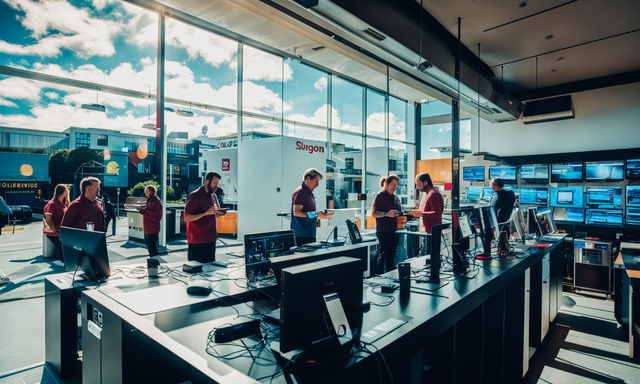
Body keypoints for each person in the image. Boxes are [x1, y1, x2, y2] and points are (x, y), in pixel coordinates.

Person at [184, 172, 224, 263]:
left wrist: (217, 213)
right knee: (196, 273)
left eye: (218, 183)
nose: (217, 186)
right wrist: (205, 213)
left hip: (211, 239)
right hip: (197, 242)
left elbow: (212, 211)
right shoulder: (194, 195)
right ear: (207, 181)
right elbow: (187, 217)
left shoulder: (212, 195)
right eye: (215, 183)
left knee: (210, 271)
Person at [291, 168, 333, 246]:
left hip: (309, 234)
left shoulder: (309, 193)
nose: (317, 185)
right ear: (308, 179)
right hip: (301, 236)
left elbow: (308, 212)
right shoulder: (300, 192)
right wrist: (316, 214)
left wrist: (316, 218)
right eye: (316, 181)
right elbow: (296, 212)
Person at [371, 175, 402, 274]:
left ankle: (390, 278)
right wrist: (386, 214)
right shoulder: (379, 196)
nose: (395, 187)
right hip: (383, 231)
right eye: (393, 185)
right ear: (387, 184)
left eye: (397, 185)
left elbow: (399, 212)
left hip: (394, 230)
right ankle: (379, 278)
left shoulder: (395, 197)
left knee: (391, 257)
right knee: (383, 256)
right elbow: (373, 213)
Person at [43, 184, 70, 260]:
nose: (67, 193)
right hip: (54, 232)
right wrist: (56, 232)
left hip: (60, 231)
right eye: (66, 191)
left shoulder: (63, 203)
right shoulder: (52, 203)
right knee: (62, 248)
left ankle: (62, 264)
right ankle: (63, 266)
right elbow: (48, 219)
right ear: (62, 192)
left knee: (62, 249)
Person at [490, 177, 516, 254]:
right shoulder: (511, 194)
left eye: (491, 184)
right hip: (505, 222)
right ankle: (504, 248)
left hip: (498, 223)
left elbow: (492, 211)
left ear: (495, 186)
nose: (490, 186)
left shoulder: (496, 197)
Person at [138, 185, 163, 257]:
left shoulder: (157, 201)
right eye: (145, 192)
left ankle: (155, 264)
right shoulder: (148, 201)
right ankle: (153, 263)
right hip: (147, 229)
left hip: (153, 229)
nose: (145, 193)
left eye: (147, 191)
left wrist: (144, 211)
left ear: (152, 192)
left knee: (152, 248)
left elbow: (158, 216)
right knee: (150, 248)